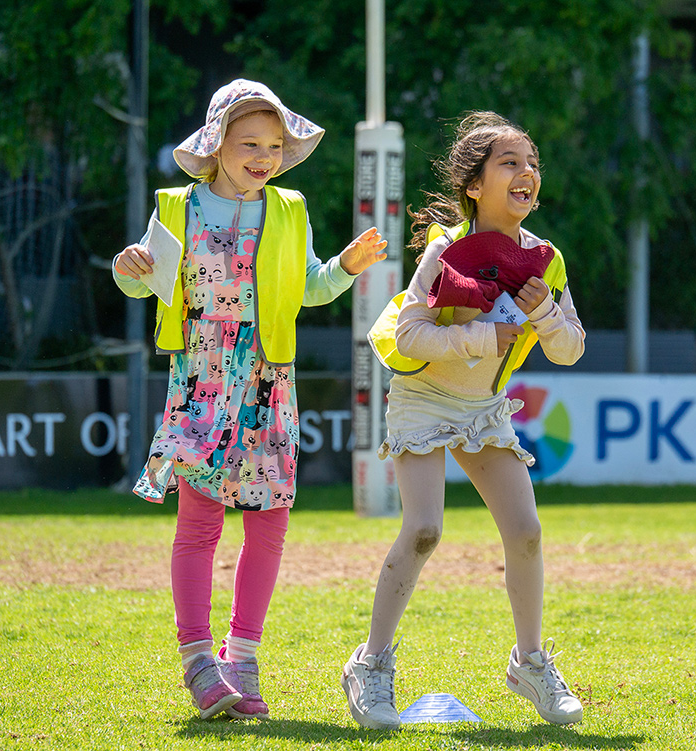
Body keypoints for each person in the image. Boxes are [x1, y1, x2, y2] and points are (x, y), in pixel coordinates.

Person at [113, 79, 386, 721]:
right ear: (215, 146)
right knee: (200, 523)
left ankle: (243, 659)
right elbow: (142, 280)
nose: (264, 156)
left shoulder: (290, 209)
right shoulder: (176, 207)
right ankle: (199, 664)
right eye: (249, 143)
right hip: (202, 381)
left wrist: (344, 265)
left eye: (274, 145)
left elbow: (309, 290)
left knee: (270, 522)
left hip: (269, 381)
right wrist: (127, 269)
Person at [341, 112, 586, 730]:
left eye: (532, 162)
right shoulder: (445, 251)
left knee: (526, 531)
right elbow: (411, 335)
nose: (527, 173)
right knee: (424, 530)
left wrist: (547, 315)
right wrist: (484, 334)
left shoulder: (545, 260)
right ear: (474, 185)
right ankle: (370, 666)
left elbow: (571, 348)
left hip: (483, 408)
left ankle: (530, 663)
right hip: (423, 398)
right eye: (510, 163)